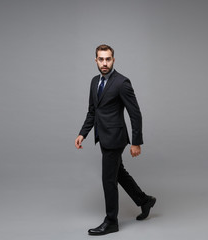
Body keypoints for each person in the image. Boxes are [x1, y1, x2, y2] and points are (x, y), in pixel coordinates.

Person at [75, 44, 156, 236]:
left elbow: (135, 114)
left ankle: (111, 222)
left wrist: (136, 142)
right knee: (119, 173)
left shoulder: (122, 82)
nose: (104, 63)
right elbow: (92, 112)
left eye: (108, 59)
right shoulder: (94, 81)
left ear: (113, 60)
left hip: (116, 138)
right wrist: (83, 133)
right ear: (95, 60)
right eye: (101, 59)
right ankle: (145, 201)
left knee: (108, 179)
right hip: (102, 137)